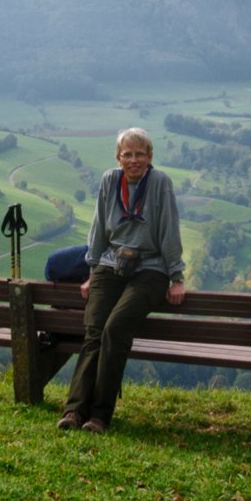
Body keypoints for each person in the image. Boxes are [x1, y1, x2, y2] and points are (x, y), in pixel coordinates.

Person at [60, 126, 186, 433]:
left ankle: (99, 416)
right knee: (94, 331)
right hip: (109, 264)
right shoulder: (109, 180)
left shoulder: (160, 183)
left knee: (115, 329)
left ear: (149, 157)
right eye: (127, 154)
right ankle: (74, 411)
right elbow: (99, 228)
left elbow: (170, 229)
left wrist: (176, 277)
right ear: (118, 157)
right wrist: (92, 273)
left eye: (140, 154)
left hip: (150, 269)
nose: (134, 160)